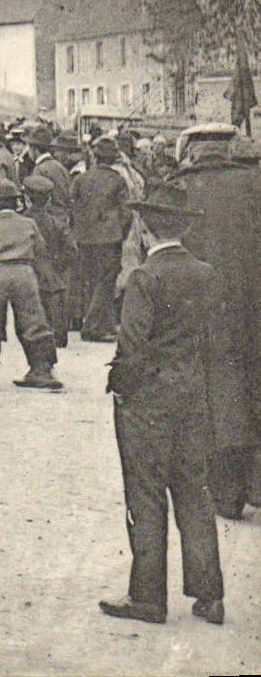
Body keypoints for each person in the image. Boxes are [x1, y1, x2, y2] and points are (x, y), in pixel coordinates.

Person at [100, 180, 225, 627]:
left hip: (148, 403)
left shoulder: (144, 278)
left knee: (147, 495)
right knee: (195, 492)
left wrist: (119, 387)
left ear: (145, 229)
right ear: (183, 230)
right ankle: (210, 596)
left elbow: (132, 346)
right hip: (192, 397)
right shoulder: (205, 273)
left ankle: (148, 597)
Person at [173, 126, 261, 521]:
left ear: (192, 150)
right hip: (253, 308)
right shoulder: (254, 184)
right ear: (228, 148)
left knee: (211, 396)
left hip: (200, 311)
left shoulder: (176, 190)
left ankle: (225, 493)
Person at [0, 177, 61, 391]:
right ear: (16, 201)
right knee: (34, 321)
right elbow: (40, 248)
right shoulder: (28, 223)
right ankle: (42, 371)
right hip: (25, 273)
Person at [72, 136, 130, 342]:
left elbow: (74, 208)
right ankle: (93, 327)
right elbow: (126, 212)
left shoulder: (81, 179)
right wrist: (120, 233)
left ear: (96, 158)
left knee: (91, 281)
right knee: (106, 282)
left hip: (84, 238)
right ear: (113, 159)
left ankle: (102, 324)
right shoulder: (118, 181)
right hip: (109, 238)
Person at [22, 174, 77, 351]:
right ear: (48, 200)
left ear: (27, 198)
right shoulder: (55, 223)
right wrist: (56, 265)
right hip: (51, 275)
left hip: (28, 275)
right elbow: (71, 251)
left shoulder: (22, 222)